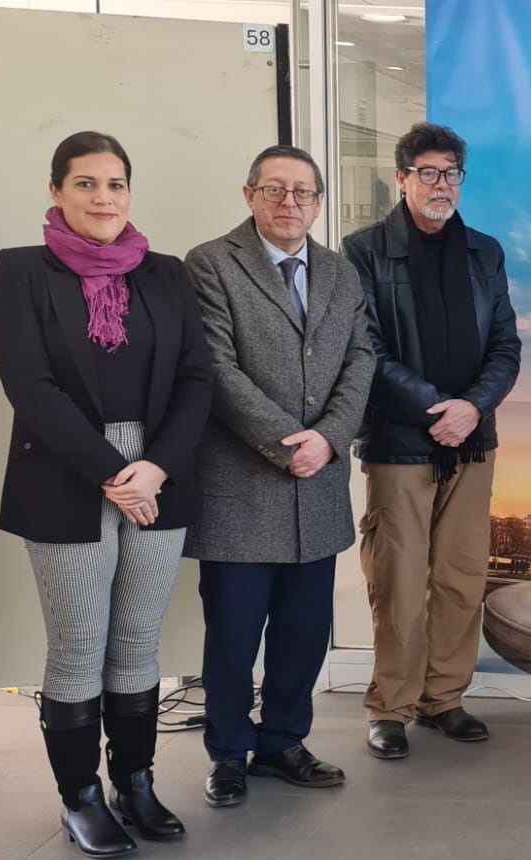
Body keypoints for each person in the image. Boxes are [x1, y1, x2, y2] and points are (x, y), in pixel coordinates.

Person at [0, 131, 212, 858]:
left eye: (115, 184)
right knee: (80, 646)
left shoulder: (166, 274)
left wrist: (156, 468)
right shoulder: (21, 271)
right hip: (65, 477)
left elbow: (194, 377)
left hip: (155, 474)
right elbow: (30, 385)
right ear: (56, 191)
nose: (102, 198)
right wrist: (114, 476)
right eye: (85, 184)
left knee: (139, 644)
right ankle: (80, 797)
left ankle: (136, 782)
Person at [183, 145, 374, 808]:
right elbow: (214, 368)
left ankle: (284, 742)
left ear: (319, 202)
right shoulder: (210, 264)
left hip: (316, 483)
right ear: (250, 195)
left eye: (304, 192)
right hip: (240, 486)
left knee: (302, 632)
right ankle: (229, 752)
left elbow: (361, 361)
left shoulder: (341, 273)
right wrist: (283, 441)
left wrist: (326, 438)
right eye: (276, 190)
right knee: (234, 636)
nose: (290, 203)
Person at [346, 122, 521, 759]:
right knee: (397, 580)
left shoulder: (485, 252)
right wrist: (434, 407)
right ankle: (389, 706)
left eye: (451, 173)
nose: (441, 184)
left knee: (460, 576)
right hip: (400, 439)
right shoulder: (363, 250)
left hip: (473, 438)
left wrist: (473, 407)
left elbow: (506, 343)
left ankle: (443, 698)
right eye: (428, 173)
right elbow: (365, 348)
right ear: (402, 178)